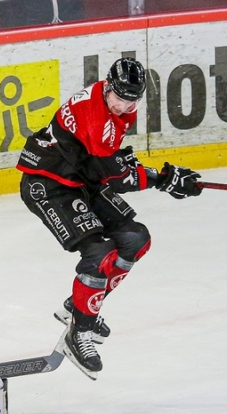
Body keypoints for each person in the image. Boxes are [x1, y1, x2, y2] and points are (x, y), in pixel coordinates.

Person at [16, 57, 203, 377]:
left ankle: (78, 308)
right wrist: (164, 179)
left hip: (81, 180)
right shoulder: (96, 114)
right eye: (119, 97)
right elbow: (117, 178)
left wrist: (153, 175)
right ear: (107, 87)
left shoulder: (119, 106)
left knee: (136, 239)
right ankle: (80, 332)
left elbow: (107, 165)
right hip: (48, 184)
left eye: (131, 100)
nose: (123, 105)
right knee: (99, 254)